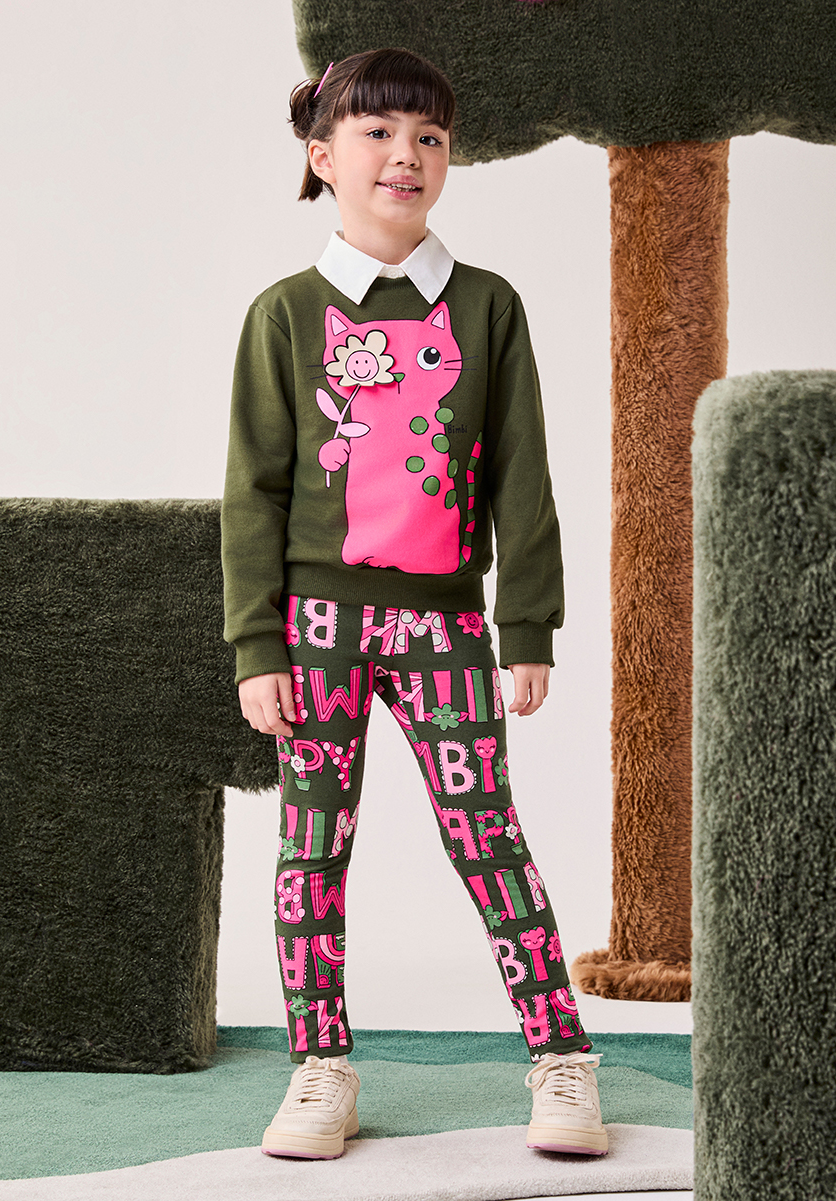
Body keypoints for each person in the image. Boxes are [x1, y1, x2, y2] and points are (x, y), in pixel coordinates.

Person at [221, 46, 608, 1161]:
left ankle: (560, 1057)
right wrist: (256, 645)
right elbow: (253, 491)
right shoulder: (285, 314)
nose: (407, 155)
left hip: (446, 624)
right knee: (311, 847)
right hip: (314, 631)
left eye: (429, 137)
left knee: (489, 836)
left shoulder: (486, 306)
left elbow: (520, 473)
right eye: (379, 132)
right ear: (322, 157)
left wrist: (525, 623)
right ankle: (319, 1065)